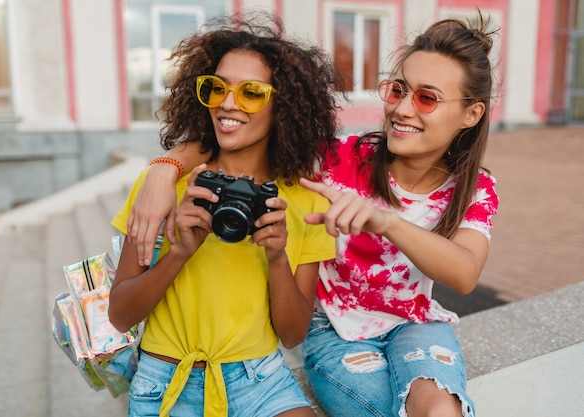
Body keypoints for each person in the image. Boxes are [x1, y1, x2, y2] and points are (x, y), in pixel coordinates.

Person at [128, 13, 500, 417]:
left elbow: (464, 273)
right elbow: (243, 136)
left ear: (471, 114)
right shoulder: (341, 158)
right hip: (335, 327)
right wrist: (164, 167)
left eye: (426, 98)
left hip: (415, 322)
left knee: (441, 411)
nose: (404, 109)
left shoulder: (475, 187)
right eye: (397, 90)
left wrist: (385, 220)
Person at [108, 13, 341, 417]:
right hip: (166, 380)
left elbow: (292, 335)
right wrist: (179, 252)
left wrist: (277, 258)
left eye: (251, 92)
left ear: (281, 105)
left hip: (261, 380)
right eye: (216, 88)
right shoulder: (165, 188)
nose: (227, 104)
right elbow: (120, 314)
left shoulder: (303, 202)